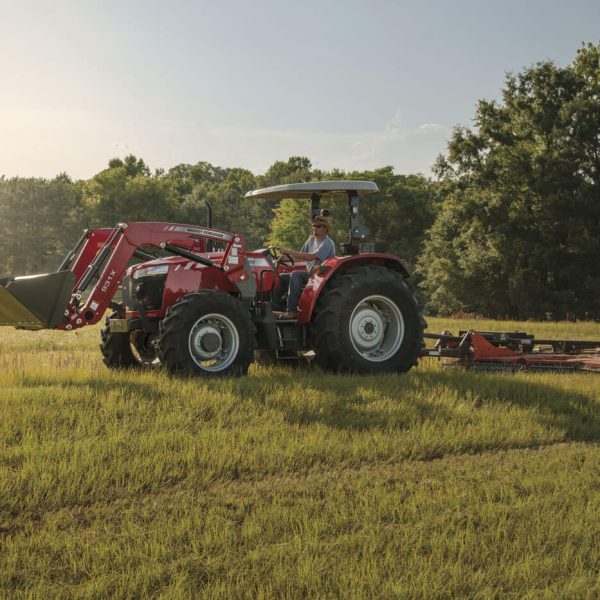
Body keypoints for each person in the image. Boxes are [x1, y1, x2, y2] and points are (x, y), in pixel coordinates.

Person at [274, 214, 335, 320]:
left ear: (325, 229)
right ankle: (277, 308)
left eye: (318, 226)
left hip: (320, 275)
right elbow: (301, 256)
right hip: (311, 273)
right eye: (314, 226)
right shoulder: (311, 240)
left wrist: (288, 251)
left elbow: (312, 257)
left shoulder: (327, 243)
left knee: (296, 274)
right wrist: (283, 258)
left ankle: (292, 311)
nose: (315, 228)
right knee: (281, 277)